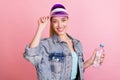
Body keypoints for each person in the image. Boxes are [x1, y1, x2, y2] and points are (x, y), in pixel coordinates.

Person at [24, 3, 105, 80]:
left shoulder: (77, 44)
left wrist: (90, 62)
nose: (60, 25)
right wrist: (40, 28)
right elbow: (31, 55)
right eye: (55, 21)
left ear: (68, 20)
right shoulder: (46, 45)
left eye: (63, 20)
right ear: (51, 23)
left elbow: (74, 70)